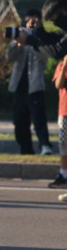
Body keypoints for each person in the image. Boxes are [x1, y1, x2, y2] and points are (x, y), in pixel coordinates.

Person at [6, 9, 53, 155]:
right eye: (28, 21)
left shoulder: (43, 38)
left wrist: (33, 39)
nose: (31, 24)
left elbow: (45, 57)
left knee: (39, 119)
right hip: (19, 86)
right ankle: (26, 150)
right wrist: (18, 42)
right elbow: (9, 57)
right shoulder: (20, 37)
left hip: (35, 85)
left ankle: (45, 146)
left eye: (34, 21)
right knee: (19, 121)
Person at [49, 58, 67, 189]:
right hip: (65, 111)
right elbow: (58, 85)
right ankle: (63, 174)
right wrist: (65, 66)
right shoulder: (61, 65)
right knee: (64, 144)